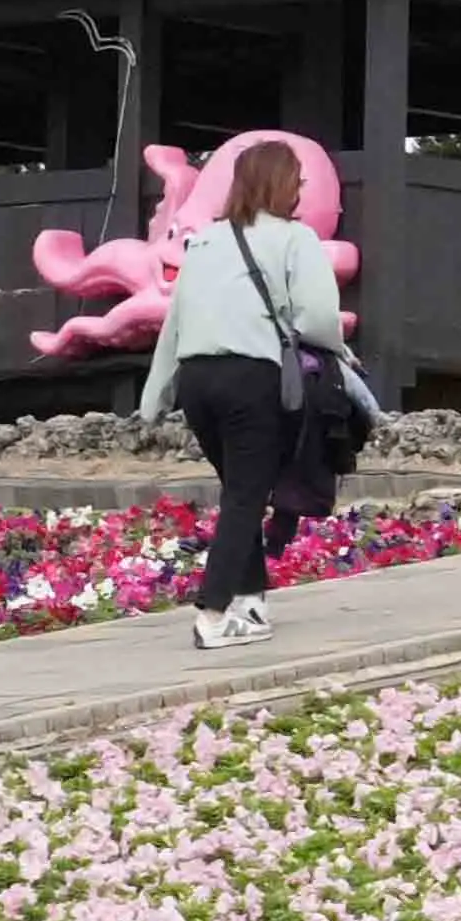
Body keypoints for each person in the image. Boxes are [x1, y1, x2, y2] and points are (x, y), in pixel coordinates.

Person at [140, 138, 355, 649]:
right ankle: (212, 616)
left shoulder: (208, 242)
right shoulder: (294, 239)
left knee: (241, 488)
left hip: (197, 380)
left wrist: (155, 396)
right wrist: (337, 352)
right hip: (252, 377)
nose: (301, 190)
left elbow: (175, 322)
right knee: (247, 495)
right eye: (298, 181)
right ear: (281, 184)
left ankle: (251, 603)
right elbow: (320, 318)